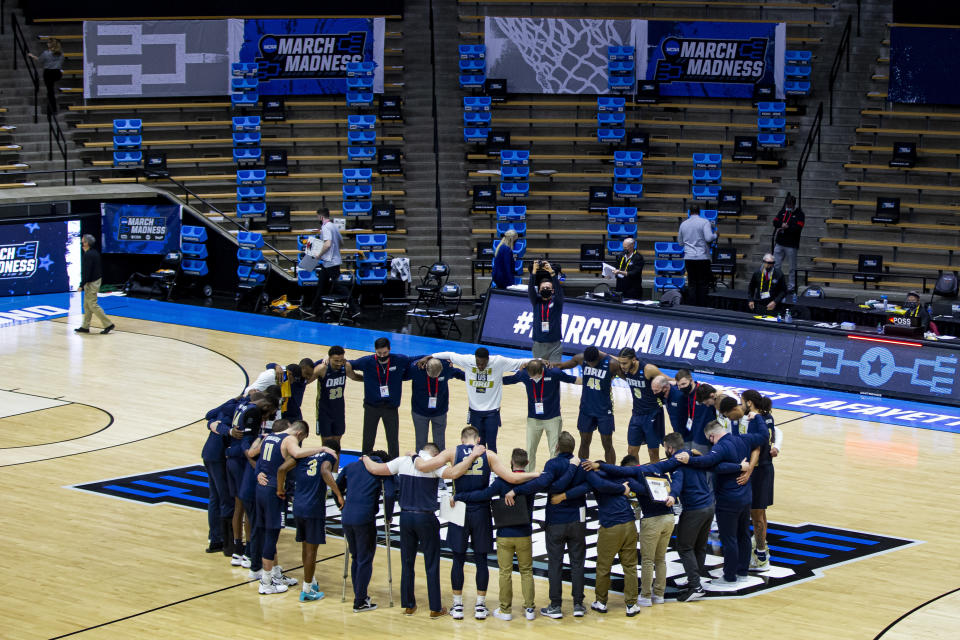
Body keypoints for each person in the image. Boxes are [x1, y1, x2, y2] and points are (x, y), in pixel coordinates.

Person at [362, 443, 489, 618]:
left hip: (405, 517)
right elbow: (454, 473)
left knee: (407, 563)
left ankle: (408, 605)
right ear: (436, 453)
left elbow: (375, 469)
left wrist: (365, 458)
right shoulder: (435, 464)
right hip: (426, 517)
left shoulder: (402, 461)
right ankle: (435, 607)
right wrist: (472, 456)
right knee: (431, 564)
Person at [247, 420, 335, 594]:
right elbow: (297, 453)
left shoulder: (269, 437)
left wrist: (259, 473)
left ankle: (273, 573)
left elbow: (251, 453)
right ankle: (266, 582)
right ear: (299, 434)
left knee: (264, 531)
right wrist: (321, 449)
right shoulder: (289, 439)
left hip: (261, 489)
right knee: (272, 534)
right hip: (274, 491)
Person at [506, 431, 588, 619]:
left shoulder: (553, 464)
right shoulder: (582, 464)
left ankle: (556, 605)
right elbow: (588, 486)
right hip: (577, 521)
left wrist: (516, 490)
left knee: (555, 564)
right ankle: (578, 604)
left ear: (557, 447)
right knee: (577, 563)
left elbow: (540, 484)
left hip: (556, 523)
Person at [453, 447, 537, 622]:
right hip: (524, 534)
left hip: (505, 534)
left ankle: (505, 611)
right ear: (527, 463)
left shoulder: (500, 482)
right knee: (527, 572)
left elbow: (482, 495)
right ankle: (529, 609)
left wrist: (460, 495)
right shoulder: (531, 482)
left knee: (505, 573)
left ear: (511, 463)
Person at [681, 420, 767, 586]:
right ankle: (743, 572)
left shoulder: (720, 447)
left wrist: (689, 460)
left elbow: (708, 464)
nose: (710, 442)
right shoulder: (743, 439)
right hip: (745, 497)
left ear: (712, 435)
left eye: (710, 439)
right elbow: (763, 436)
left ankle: (730, 576)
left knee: (729, 539)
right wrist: (757, 418)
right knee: (743, 535)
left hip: (728, 500)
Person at [274, 437, 343, 601]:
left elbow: (282, 469)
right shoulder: (330, 456)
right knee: (312, 550)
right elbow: (325, 471)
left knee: (306, 547)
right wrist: (338, 494)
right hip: (313, 508)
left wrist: (280, 489)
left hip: (298, 506)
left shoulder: (305, 454)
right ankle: (307, 591)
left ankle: (310, 581)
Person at [429, 347, 530, 452]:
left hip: (492, 412)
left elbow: (520, 362)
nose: (480, 366)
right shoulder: (468, 360)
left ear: (488, 359)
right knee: (477, 445)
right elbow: (450, 355)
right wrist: (430, 356)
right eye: (478, 363)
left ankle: (491, 468)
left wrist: (541, 361)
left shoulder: (498, 362)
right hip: (475, 412)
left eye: (483, 364)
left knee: (491, 446)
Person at [336, 449, 395, 613]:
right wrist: (388, 516)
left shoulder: (351, 467)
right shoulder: (381, 469)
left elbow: (336, 486)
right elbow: (389, 494)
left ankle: (359, 595)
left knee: (356, 557)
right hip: (365, 519)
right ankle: (360, 600)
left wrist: (340, 504)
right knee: (365, 559)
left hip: (346, 517)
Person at [350, 338, 422, 458]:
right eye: (379, 353)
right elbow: (348, 363)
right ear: (375, 351)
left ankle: (394, 466)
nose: (382, 356)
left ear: (389, 349)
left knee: (393, 439)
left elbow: (416, 358)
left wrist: (435, 357)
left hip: (391, 407)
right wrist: (326, 358)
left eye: (385, 353)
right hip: (371, 407)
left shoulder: (399, 359)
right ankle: (364, 464)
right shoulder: (367, 361)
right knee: (368, 438)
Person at [664, 432, 714, 602]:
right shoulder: (694, 455)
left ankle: (695, 585)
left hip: (695, 509)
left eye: (665, 448)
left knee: (684, 546)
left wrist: (672, 495)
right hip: (709, 506)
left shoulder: (678, 463)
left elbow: (677, 482)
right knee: (699, 546)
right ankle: (696, 579)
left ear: (670, 448)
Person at [503, 359, 578, 471]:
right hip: (533, 419)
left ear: (542, 370)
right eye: (531, 376)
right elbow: (509, 380)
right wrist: (491, 378)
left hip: (553, 418)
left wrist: (594, 381)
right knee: (530, 449)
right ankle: (528, 476)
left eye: (535, 376)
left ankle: (553, 476)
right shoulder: (524, 374)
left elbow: (573, 380)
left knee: (555, 451)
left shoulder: (554, 373)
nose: (533, 379)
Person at [737, 390, 783, 572]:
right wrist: (777, 447)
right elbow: (776, 433)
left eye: (742, 402)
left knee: (756, 515)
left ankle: (762, 555)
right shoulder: (767, 416)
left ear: (749, 403)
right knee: (760, 514)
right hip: (766, 468)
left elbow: (756, 450)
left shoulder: (755, 420)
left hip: (757, 470)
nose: (740, 405)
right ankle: (761, 544)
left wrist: (748, 472)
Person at [554, 346, 621, 463]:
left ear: (598, 358)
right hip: (586, 407)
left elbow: (629, 377)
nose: (590, 365)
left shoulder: (612, 364)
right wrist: (543, 364)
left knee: (607, 444)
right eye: (588, 363)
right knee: (584, 442)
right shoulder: (580, 359)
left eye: (593, 363)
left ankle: (612, 473)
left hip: (604, 409)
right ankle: (582, 471)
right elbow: (561, 366)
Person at [201, 396, 241, 555]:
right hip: (218, 457)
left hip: (209, 454)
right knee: (225, 498)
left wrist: (213, 424)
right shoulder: (237, 409)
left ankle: (215, 539)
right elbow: (213, 420)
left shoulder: (231, 404)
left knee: (215, 497)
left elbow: (209, 416)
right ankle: (227, 543)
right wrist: (228, 431)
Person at [616, 348, 669, 463]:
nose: (622, 366)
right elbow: (609, 357)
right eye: (620, 363)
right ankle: (637, 476)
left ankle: (657, 477)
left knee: (653, 452)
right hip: (636, 414)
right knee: (631, 451)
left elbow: (668, 380)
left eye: (624, 363)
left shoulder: (648, 369)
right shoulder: (624, 368)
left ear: (634, 359)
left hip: (653, 414)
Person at [405, 357, 464, 451]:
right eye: (431, 375)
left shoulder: (446, 367)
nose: (433, 377)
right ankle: (420, 464)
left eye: (437, 376)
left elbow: (459, 373)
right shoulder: (416, 369)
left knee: (440, 444)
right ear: (426, 368)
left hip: (440, 411)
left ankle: (440, 464)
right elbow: (401, 374)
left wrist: (473, 380)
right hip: (419, 412)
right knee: (421, 443)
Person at [301, 347, 353, 441]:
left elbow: (354, 376)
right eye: (336, 360)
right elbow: (305, 380)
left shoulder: (345, 367)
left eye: (341, 360)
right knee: (327, 443)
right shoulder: (322, 368)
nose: (339, 363)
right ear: (329, 358)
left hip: (339, 411)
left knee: (337, 442)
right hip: (324, 411)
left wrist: (368, 380)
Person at [666, 371, 717, 451]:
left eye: (684, 384)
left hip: (705, 438)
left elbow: (717, 396)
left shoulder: (703, 392)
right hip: (692, 435)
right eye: (679, 385)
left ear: (691, 380)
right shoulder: (686, 393)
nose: (682, 387)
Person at [677, 206, 717, 307]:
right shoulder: (704, 222)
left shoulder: (683, 224)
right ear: (699, 212)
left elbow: (680, 242)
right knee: (703, 283)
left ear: (690, 212)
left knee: (692, 283)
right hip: (702, 257)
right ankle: (702, 307)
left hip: (689, 258)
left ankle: (692, 307)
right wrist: (716, 235)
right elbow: (708, 238)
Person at [75, 234, 115, 335]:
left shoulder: (88, 255)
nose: (81, 243)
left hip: (92, 282)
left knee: (92, 304)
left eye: (83, 242)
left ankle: (108, 324)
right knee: (87, 305)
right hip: (93, 280)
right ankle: (85, 326)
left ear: (87, 243)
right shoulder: (92, 253)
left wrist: (81, 285)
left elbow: (87, 272)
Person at [309, 208, 344, 316]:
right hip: (330, 261)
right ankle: (314, 308)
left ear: (320, 216)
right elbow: (341, 242)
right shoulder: (333, 226)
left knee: (339, 286)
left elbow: (328, 244)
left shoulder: (325, 228)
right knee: (321, 285)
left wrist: (319, 255)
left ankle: (354, 308)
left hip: (330, 262)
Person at [528, 260, 565, 362]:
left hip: (555, 345)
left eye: (548, 288)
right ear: (539, 290)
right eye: (543, 288)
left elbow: (559, 291)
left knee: (554, 372)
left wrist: (552, 272)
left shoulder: (557, 303)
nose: (545, 289)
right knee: (539, 373)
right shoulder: (536, 302)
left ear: (552, 291)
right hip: (538, 345)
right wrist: (534, 272)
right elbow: (530, 289)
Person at [772, 193, 805, 292]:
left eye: (790, 205)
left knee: (792, 268)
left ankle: (791, 287)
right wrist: (781, 224)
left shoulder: (799, 214)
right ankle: (776, 283)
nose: (788, 206)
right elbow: (775, 222)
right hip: (780, 243)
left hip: (791, 244)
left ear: (793, 204)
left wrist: (787, 227)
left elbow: (798, 228)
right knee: (776, 265)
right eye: (787, 204)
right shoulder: (783, 211)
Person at [28, 38, 64, 113]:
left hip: (49, 73)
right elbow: (61, 62)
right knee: (51, 90)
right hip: (57, 73)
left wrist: (32, 56)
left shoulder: (46, 53)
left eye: (48, 43)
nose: (47, 44)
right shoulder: (61, 53)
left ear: (51, 44)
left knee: (50, 91)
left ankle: (52, 109)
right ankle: (52, 107)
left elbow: (39, 60)